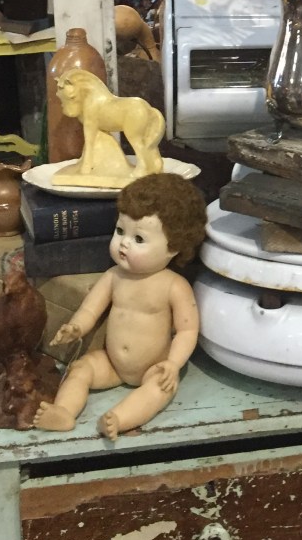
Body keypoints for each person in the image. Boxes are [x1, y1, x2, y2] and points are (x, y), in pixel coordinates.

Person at [33, 173, 206, 440]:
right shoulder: (114, 276)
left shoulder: (174, 286)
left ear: (174, 247)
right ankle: (64, 412)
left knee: (160, 389)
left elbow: (187, 330)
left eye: (139, 239)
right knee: (81, 368)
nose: (124, 242)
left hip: (154, 366)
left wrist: (173, 363)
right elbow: (90, 310)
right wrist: (76, 327)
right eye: (120, 231)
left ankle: (119, 419)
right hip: (112, 363)